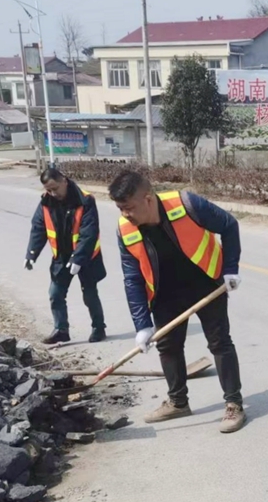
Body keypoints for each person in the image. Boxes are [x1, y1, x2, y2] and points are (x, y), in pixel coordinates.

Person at [109, 169, 246, 434]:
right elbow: (132, 277)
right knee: (168, 346)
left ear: (148, 199)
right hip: (165, 293)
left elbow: (229, 225)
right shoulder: (125, 229)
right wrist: (141, 325)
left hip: (206, 283)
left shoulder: (187, 204)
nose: (125, 214)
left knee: (219, 343)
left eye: (128, 207)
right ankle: (178, 402)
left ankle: (233, 403)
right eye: (120, 208)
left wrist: (230, 268)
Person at [25, 167, 107, 344]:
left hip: (86, 258)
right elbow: (38, 228)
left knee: (90, 294)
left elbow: (89, 232)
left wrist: (78, 258)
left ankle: (98, 328)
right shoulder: (46, 203)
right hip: (61, 257)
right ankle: (61, 329)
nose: (53, 193)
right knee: (55, 294)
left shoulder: (85, 200)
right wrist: (31, 253)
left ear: (64, 180)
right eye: (49, 190)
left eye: (55, 188)